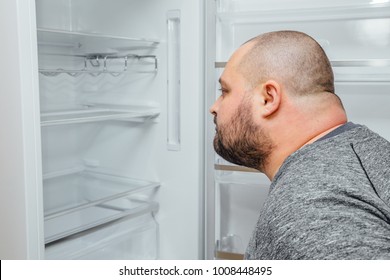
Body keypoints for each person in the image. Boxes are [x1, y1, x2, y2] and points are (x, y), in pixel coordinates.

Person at [210, 30, 390, 259]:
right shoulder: (367, 150)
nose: (214, 107)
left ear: (268, 98)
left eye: (225, 91)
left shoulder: (312, 208)